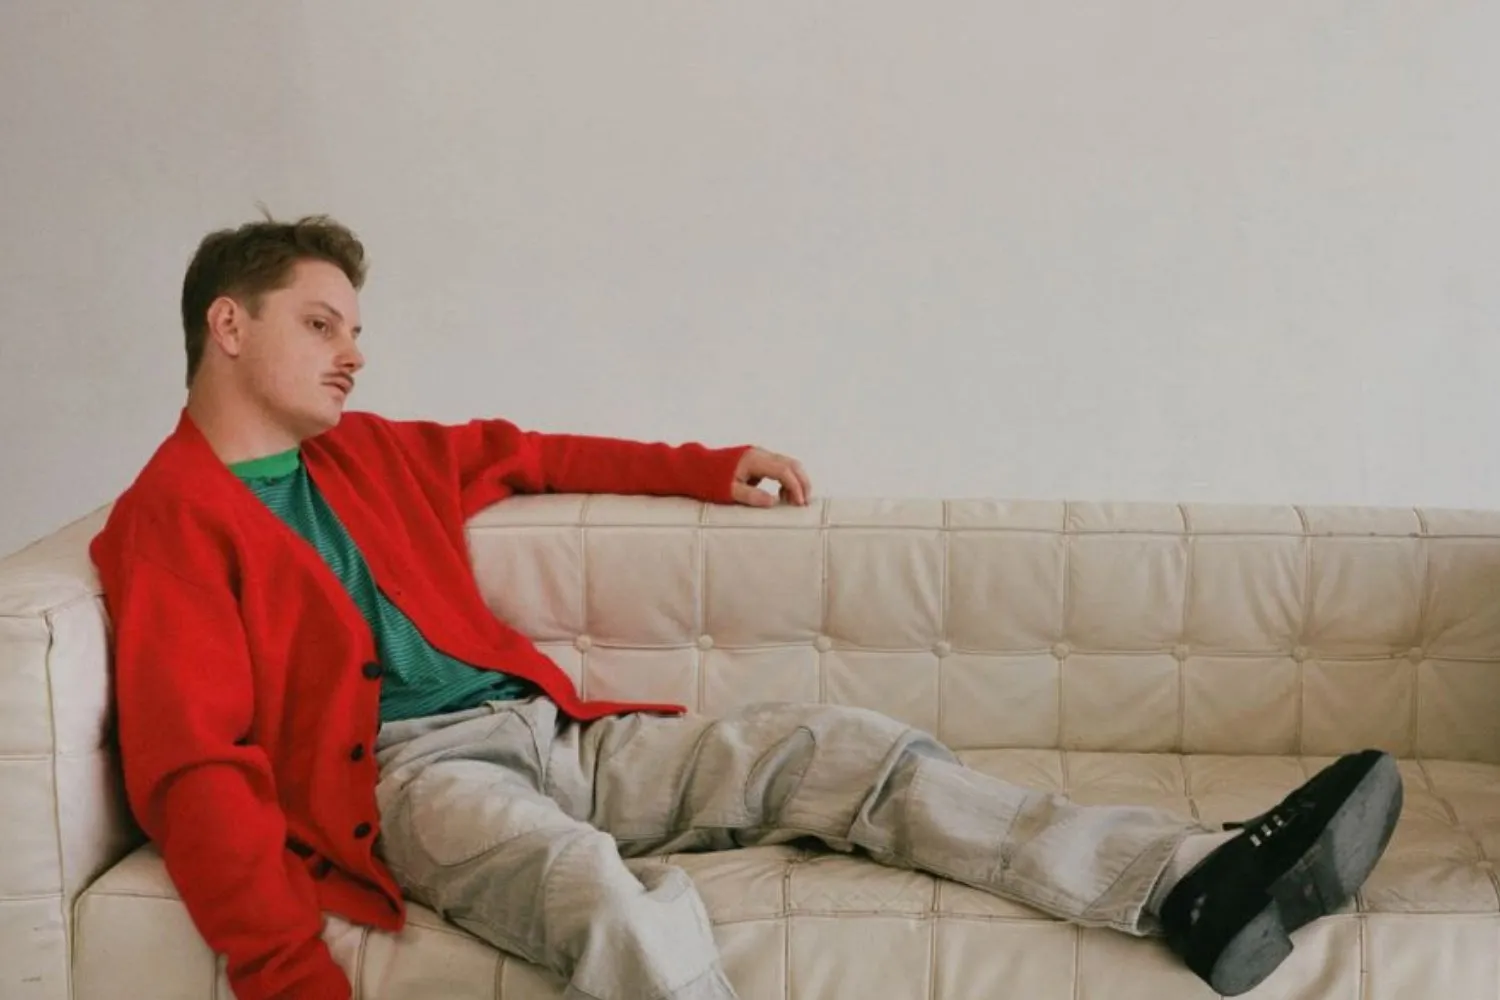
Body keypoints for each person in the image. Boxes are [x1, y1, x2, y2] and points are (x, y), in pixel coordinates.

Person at [90, 214, 1404, 1000]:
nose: (355, 353)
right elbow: (193, 768)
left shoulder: (370, 453)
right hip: (411, 782)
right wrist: (288, 979)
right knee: (599, 894)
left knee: (844, 749)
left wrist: (707, 466)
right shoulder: (169, 521)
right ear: (229, 326)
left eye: (355, 329)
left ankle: (1191, 884)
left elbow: (529, 452)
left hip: (554, 733)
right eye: (323, 325)